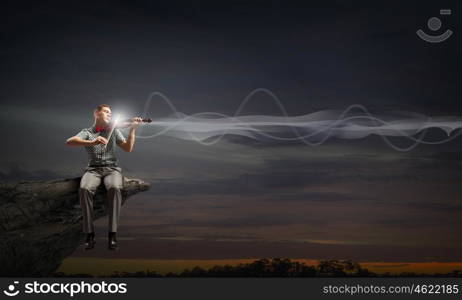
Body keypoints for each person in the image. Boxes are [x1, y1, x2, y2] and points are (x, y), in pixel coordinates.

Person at [66, 104, 141, 250]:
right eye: (106, 112)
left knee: (114, 188)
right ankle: (89, 234)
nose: (109, 115)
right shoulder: (87, 132)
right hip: (93, 170)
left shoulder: (114, 130)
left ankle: (112, 235)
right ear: (96, 113)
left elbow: (128, 148)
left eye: (111, 113)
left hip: (112, 169)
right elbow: (69, 141)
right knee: (84, 189)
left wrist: (132, 129)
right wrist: (92, 141)